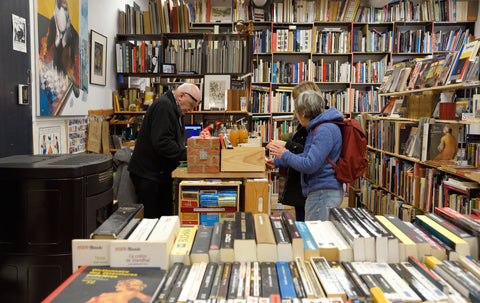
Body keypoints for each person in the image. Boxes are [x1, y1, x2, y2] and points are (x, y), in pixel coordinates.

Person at [267, 90, 344, 221]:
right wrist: (278, 162)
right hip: (320, 192)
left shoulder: (324, 130)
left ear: (303, 113)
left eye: (296, 113)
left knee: (315, 237)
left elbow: (310, 164)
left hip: (322, 193)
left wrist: (284, 153)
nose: (296, 117)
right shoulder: (319, 127)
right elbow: (307, 156)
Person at [128, 83, 202, 218]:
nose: (191, 110)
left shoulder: (174, 108)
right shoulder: (164, 106)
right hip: (149, 176)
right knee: (154, 221)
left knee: (164, 217)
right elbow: (162, 143)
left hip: (158, 174)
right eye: (191, 105)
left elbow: (172, 139)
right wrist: (189, 154)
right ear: (181, 96)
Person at [266, 81, 323, 221]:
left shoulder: (317, 126)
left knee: (307, 225)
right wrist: (278, 161)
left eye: (297, 100)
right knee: (301, 220)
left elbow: (308, 154)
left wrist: (286, 146)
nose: (296, 106)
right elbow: (299, 152)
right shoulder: (304, 122)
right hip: (299, 182)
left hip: (309, 183)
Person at [86, 279, 151, 303]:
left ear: (128, 286)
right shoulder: (119, 294)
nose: (116, 286)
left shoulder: (126, 295)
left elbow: (147, 299)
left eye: (119, 285)